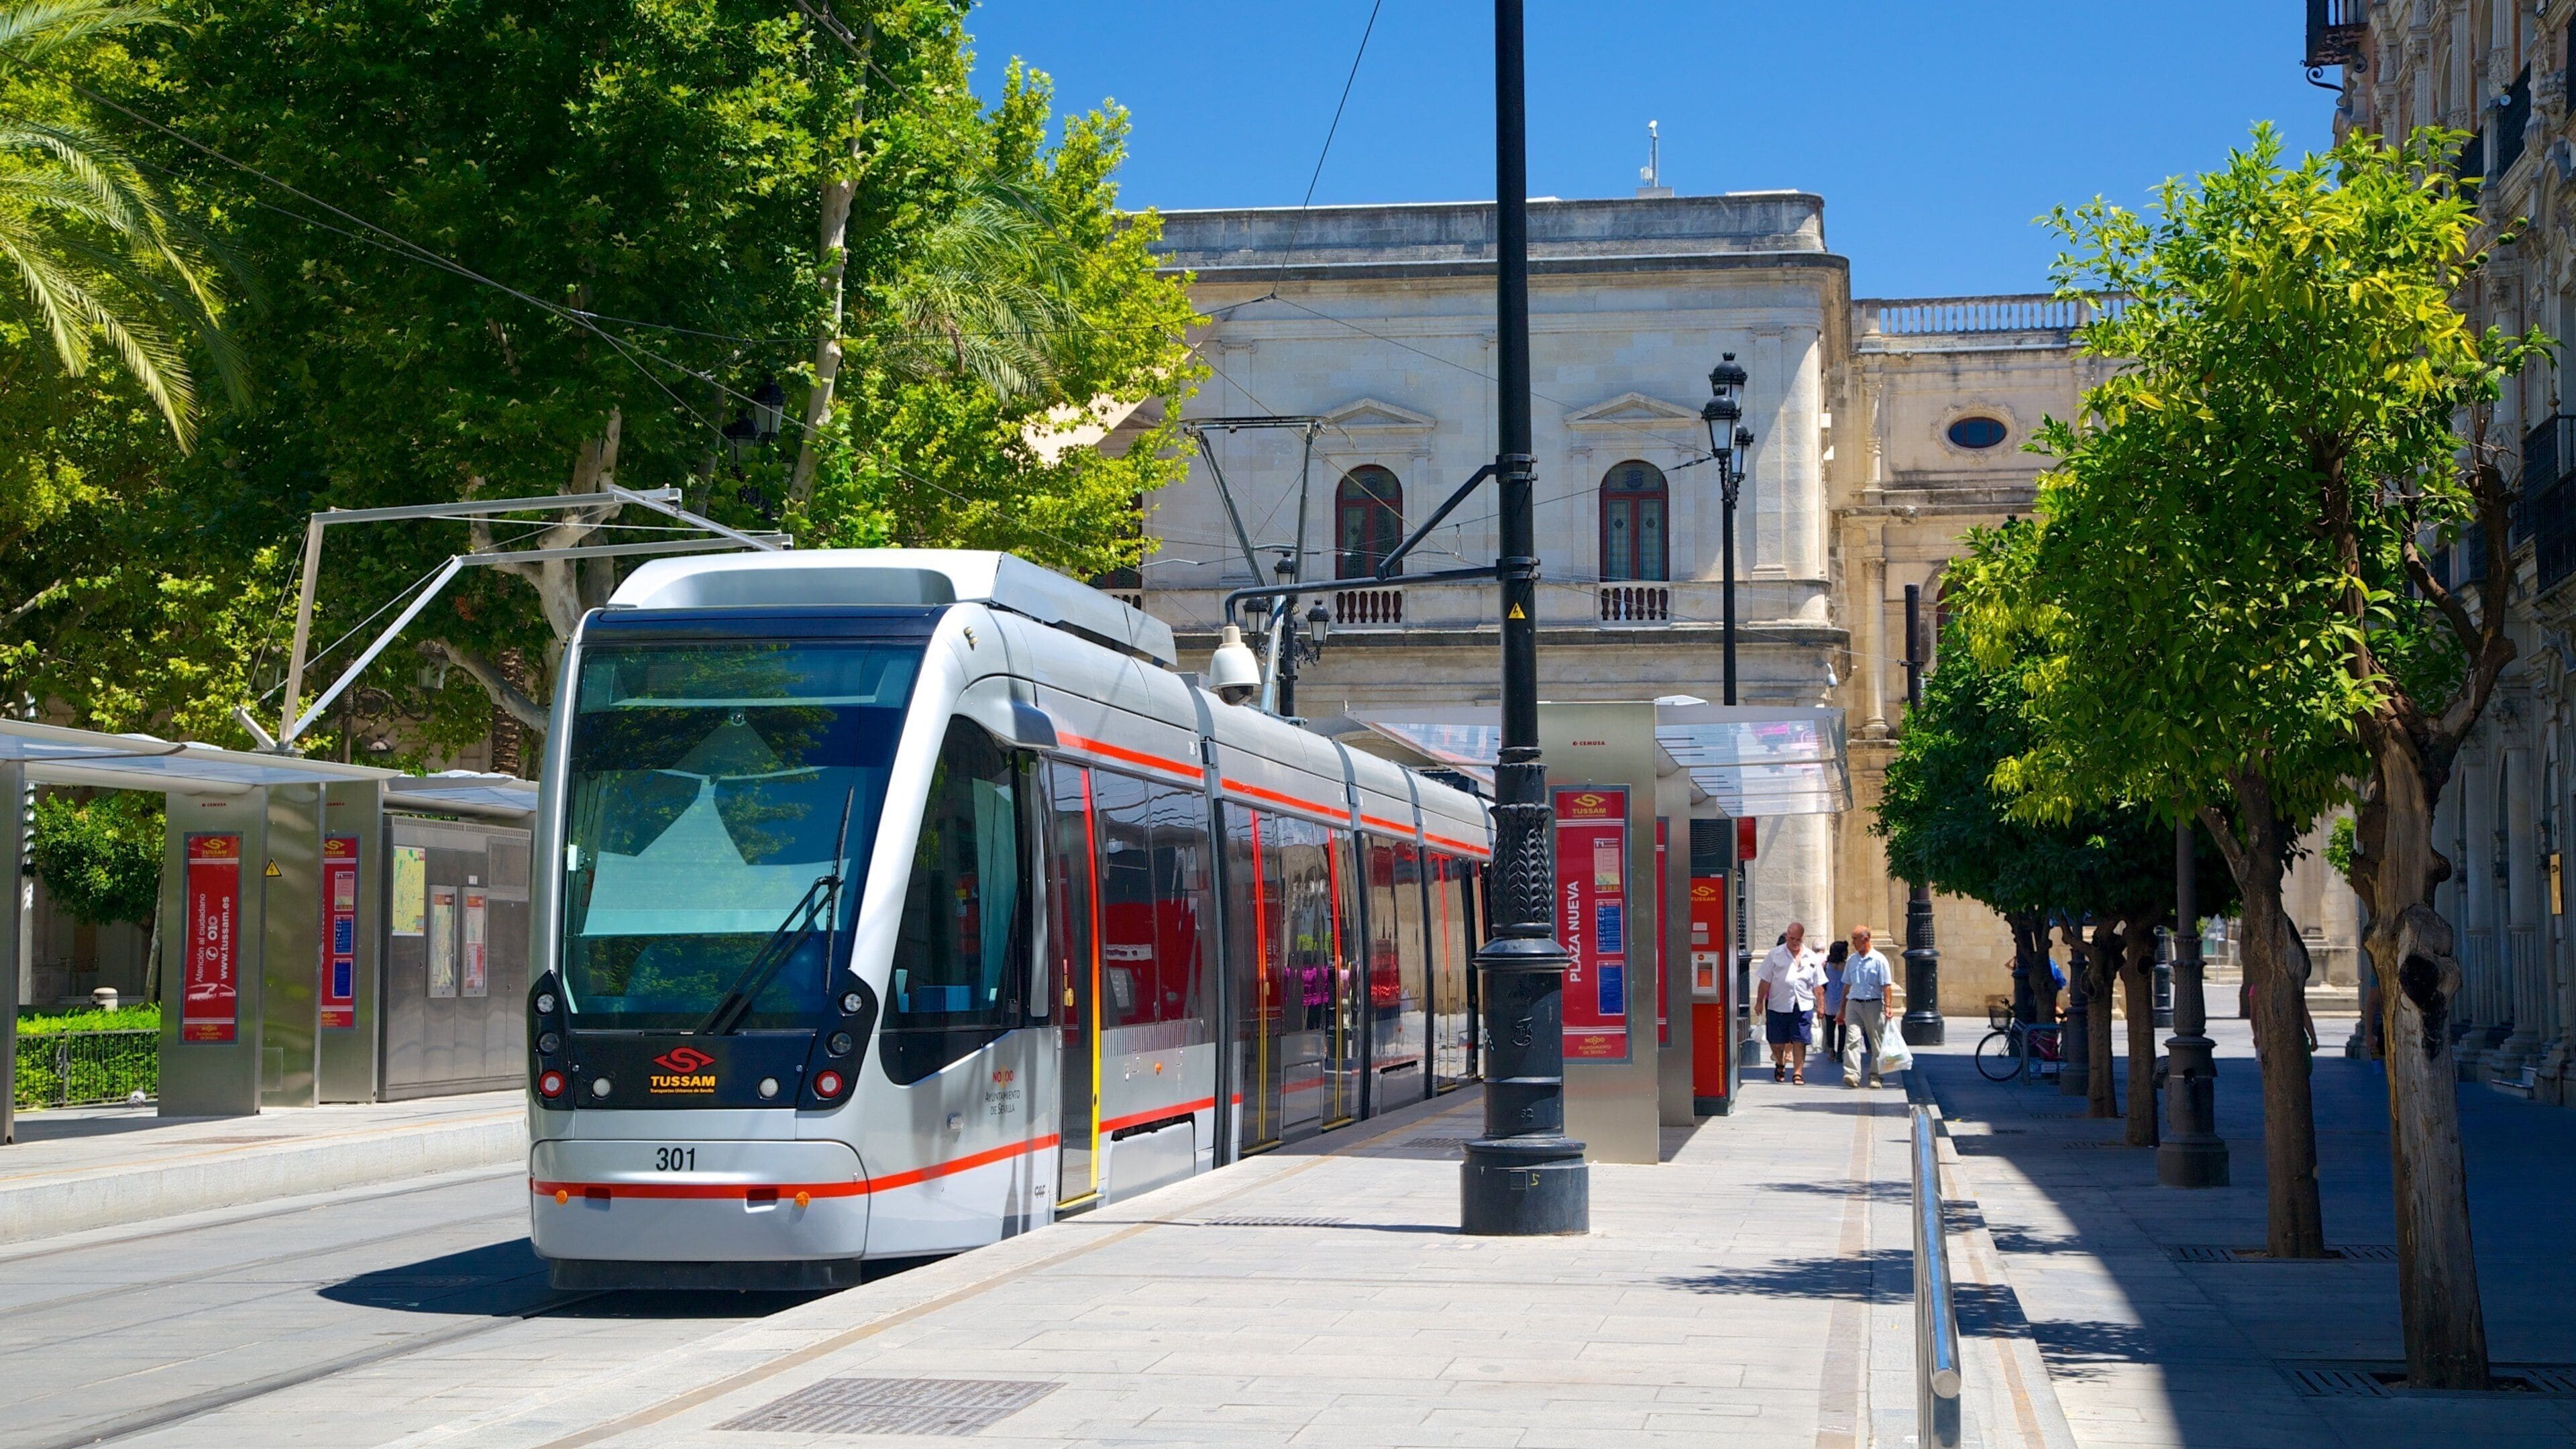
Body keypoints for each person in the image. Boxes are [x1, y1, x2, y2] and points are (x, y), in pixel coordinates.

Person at [1754, 922, 1826, 1083]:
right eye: (1792, 939)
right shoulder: (1775, 954)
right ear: (1787, 936)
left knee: (1800, 1040)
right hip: (1778, 1004)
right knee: (1777, 1042)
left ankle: (1798, 1073)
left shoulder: (1811, 957)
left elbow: (1819, 985)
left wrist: (1821, 1006)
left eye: (1798, 940)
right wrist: (1759, 1002)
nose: (1795, 943)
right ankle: (1780, 1063)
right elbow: (1765, 981)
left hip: (1803, 1005)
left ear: (1803, 938)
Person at [1838, 925, 1894, 1089]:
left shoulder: (1879, 960)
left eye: (1855, 939)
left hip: (1874, 1005)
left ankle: (1876, 1076)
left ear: (1866, 939)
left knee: (1877, 1043)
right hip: (1854, 1004)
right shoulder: (1852, 960)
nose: (1852, 942)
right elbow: (1847, 986)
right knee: (1852, 1039)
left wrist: (1888, 1006)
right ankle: (1852, 1074)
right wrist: (1842, 1009)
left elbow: (1887, 985)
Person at [1819, 939, 1850, 1059]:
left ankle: (1831, 1050)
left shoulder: (1826, 966)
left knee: (1830, 1028)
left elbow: (1821, 983)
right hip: (1844, 1000)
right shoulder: (1847, 966)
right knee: (1843, 1028)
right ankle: (1840, 1052)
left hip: (1829, 1000)